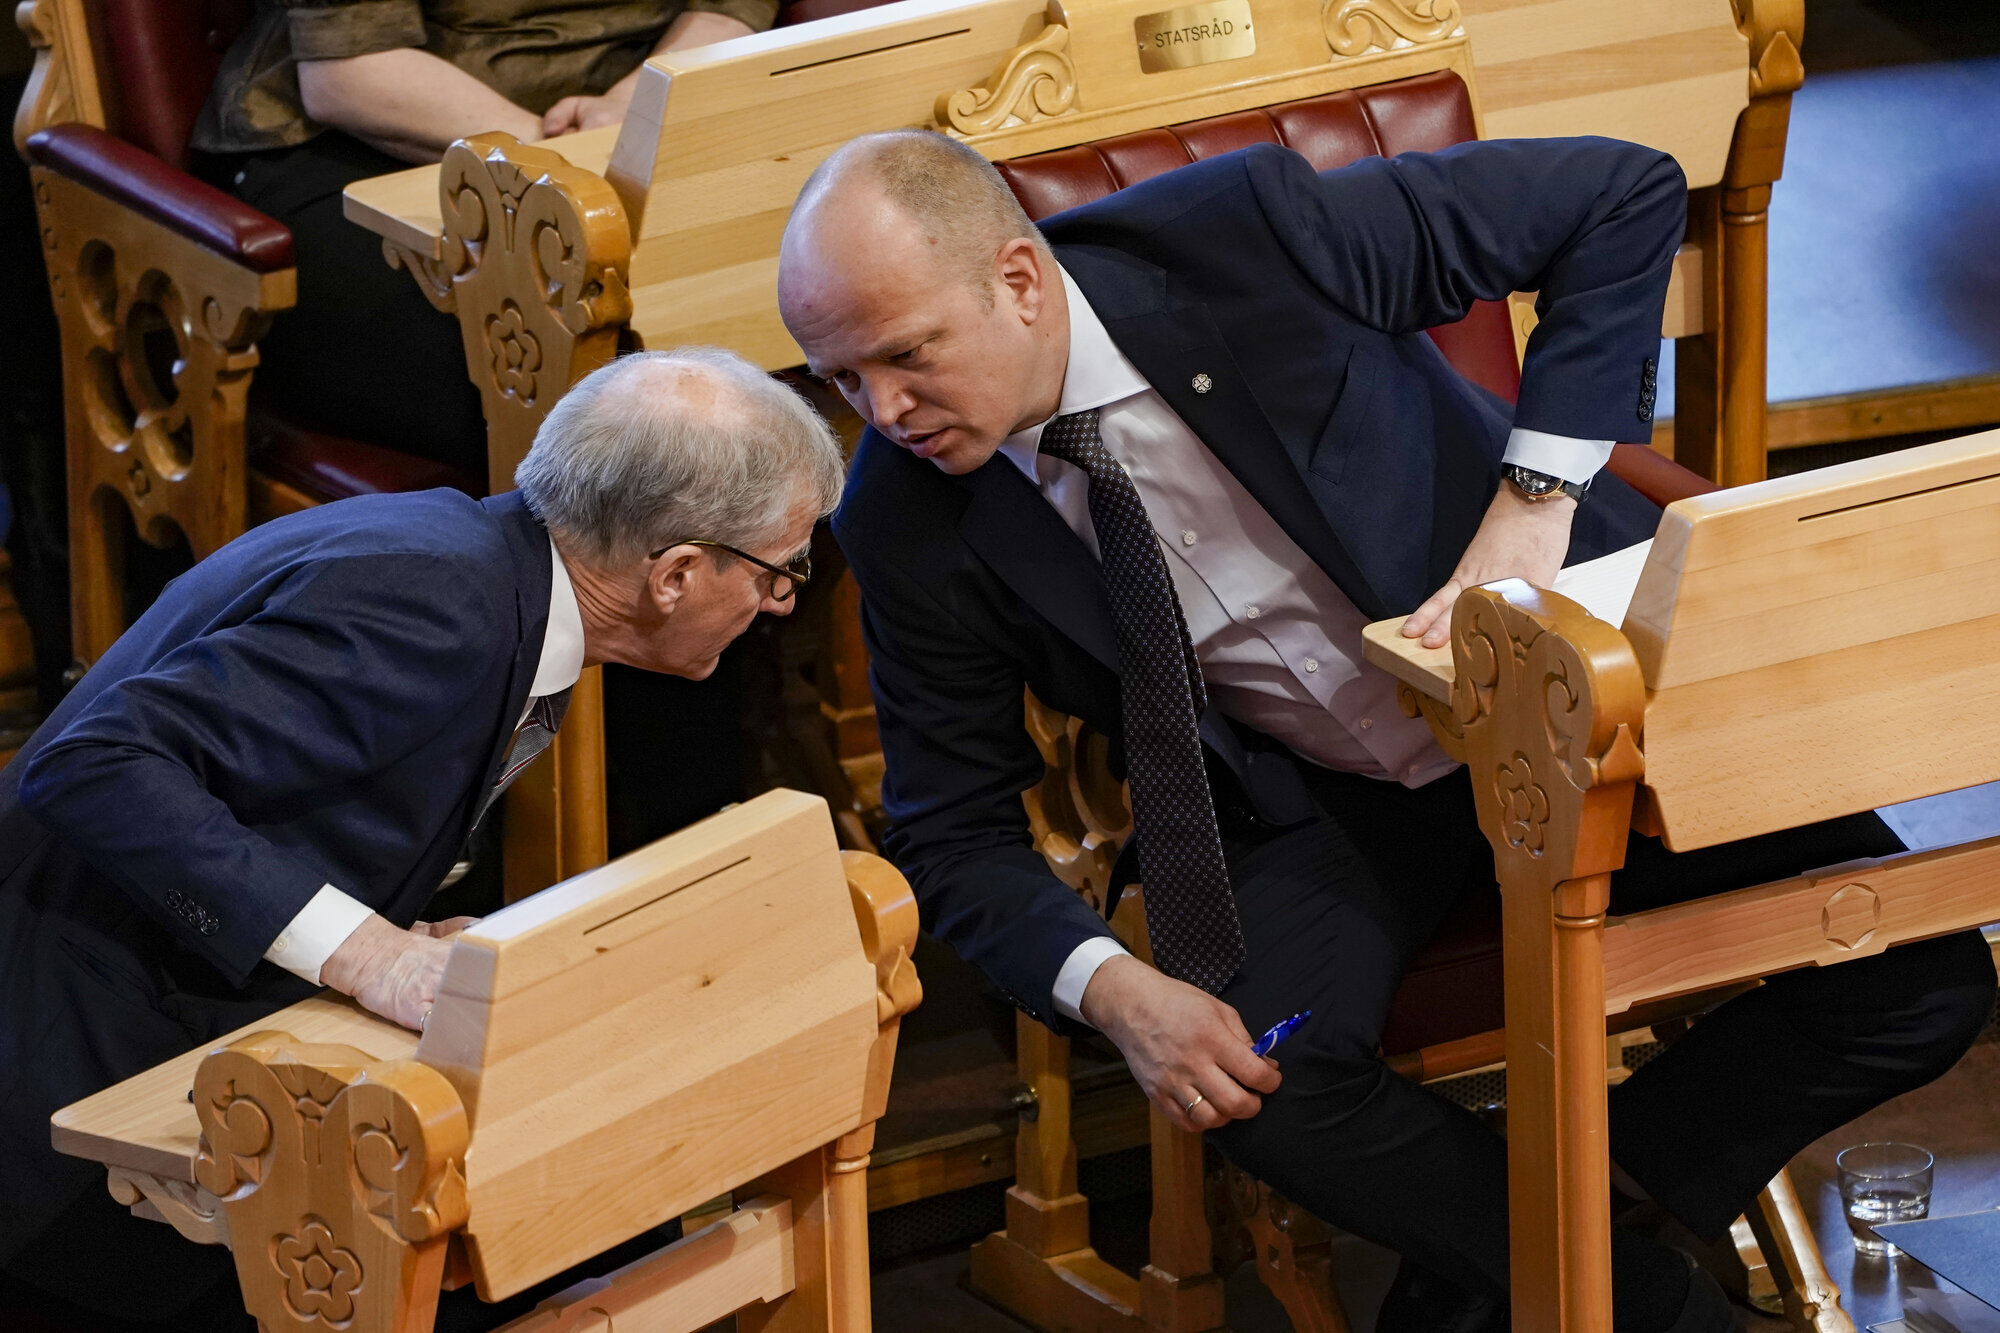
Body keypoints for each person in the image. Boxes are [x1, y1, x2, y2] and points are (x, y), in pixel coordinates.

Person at [778, 131, 1998, 1332]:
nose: (882, 410)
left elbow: (1617, 194)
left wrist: (1530, 506)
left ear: (1016, 279)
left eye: (905, 354)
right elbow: (953, 830)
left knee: (1918, 971)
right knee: (1270, 1076)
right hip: (1321, 795)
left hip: (1572, 716)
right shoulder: (904, 517)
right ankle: (1649, 1304)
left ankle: (1504, 1256)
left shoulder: (1242, 239)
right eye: (838, 379)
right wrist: (1115, 993)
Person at [0, 348, 843, 1325]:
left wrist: (396, 929)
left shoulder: (488, 571)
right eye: (780, 574)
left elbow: (290, 792)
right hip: (76, 1094)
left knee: (605, 1218)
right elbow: (90, 764)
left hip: (206, 1031)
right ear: (676, 573)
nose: (779, 605)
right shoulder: (437, 605)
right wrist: (368, 954)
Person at [192, 0, 778, 474]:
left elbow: (729, 7)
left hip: (617, 131)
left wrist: (634, 106)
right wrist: (549, 157)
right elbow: (349, 74)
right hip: (353, 156)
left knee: (778, 324)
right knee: (580, 400)